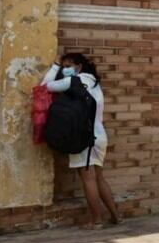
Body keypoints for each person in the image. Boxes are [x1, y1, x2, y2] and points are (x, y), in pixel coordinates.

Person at [41, 53, 122, 229]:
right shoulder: (94, 83)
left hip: (83, 137)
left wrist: (55, 66)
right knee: (99, 178)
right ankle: (116, 216)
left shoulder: (72, 81)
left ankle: (96, 221)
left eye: (67, 66)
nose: (65, 69)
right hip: (99, 136)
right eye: (63, 66)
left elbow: (44, 87)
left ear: (78, 67)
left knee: (88, 180)